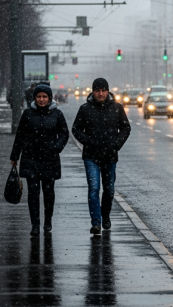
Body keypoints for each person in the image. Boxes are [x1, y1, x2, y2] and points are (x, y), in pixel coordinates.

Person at [72, 78, 131, 235]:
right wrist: (88, 141)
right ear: (93, 92)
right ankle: (96, 222)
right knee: (94, 188)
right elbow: (76, 129)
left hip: (110, 156)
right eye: (97, 90)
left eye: (103, 90)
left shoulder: (117, 108)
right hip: (91, 156)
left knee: (109, 189)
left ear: (107, 91)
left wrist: (116, 144)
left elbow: (126, 128)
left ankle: (105, 215)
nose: (100, 94)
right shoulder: (85, 109)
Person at [10, 84, 70, 236]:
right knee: (33, 193)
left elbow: (64, 134)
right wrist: (14, 156)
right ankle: (35, 224)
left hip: (50, 159)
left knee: (48, 193)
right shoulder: (28, 114)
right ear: (34, 98)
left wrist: (56, 147)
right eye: (38, 97)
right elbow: (20, 135)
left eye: (44, 97)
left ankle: (47, 221)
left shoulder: (57, 114)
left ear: (49, 98)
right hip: (31, 158)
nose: (41, 100)